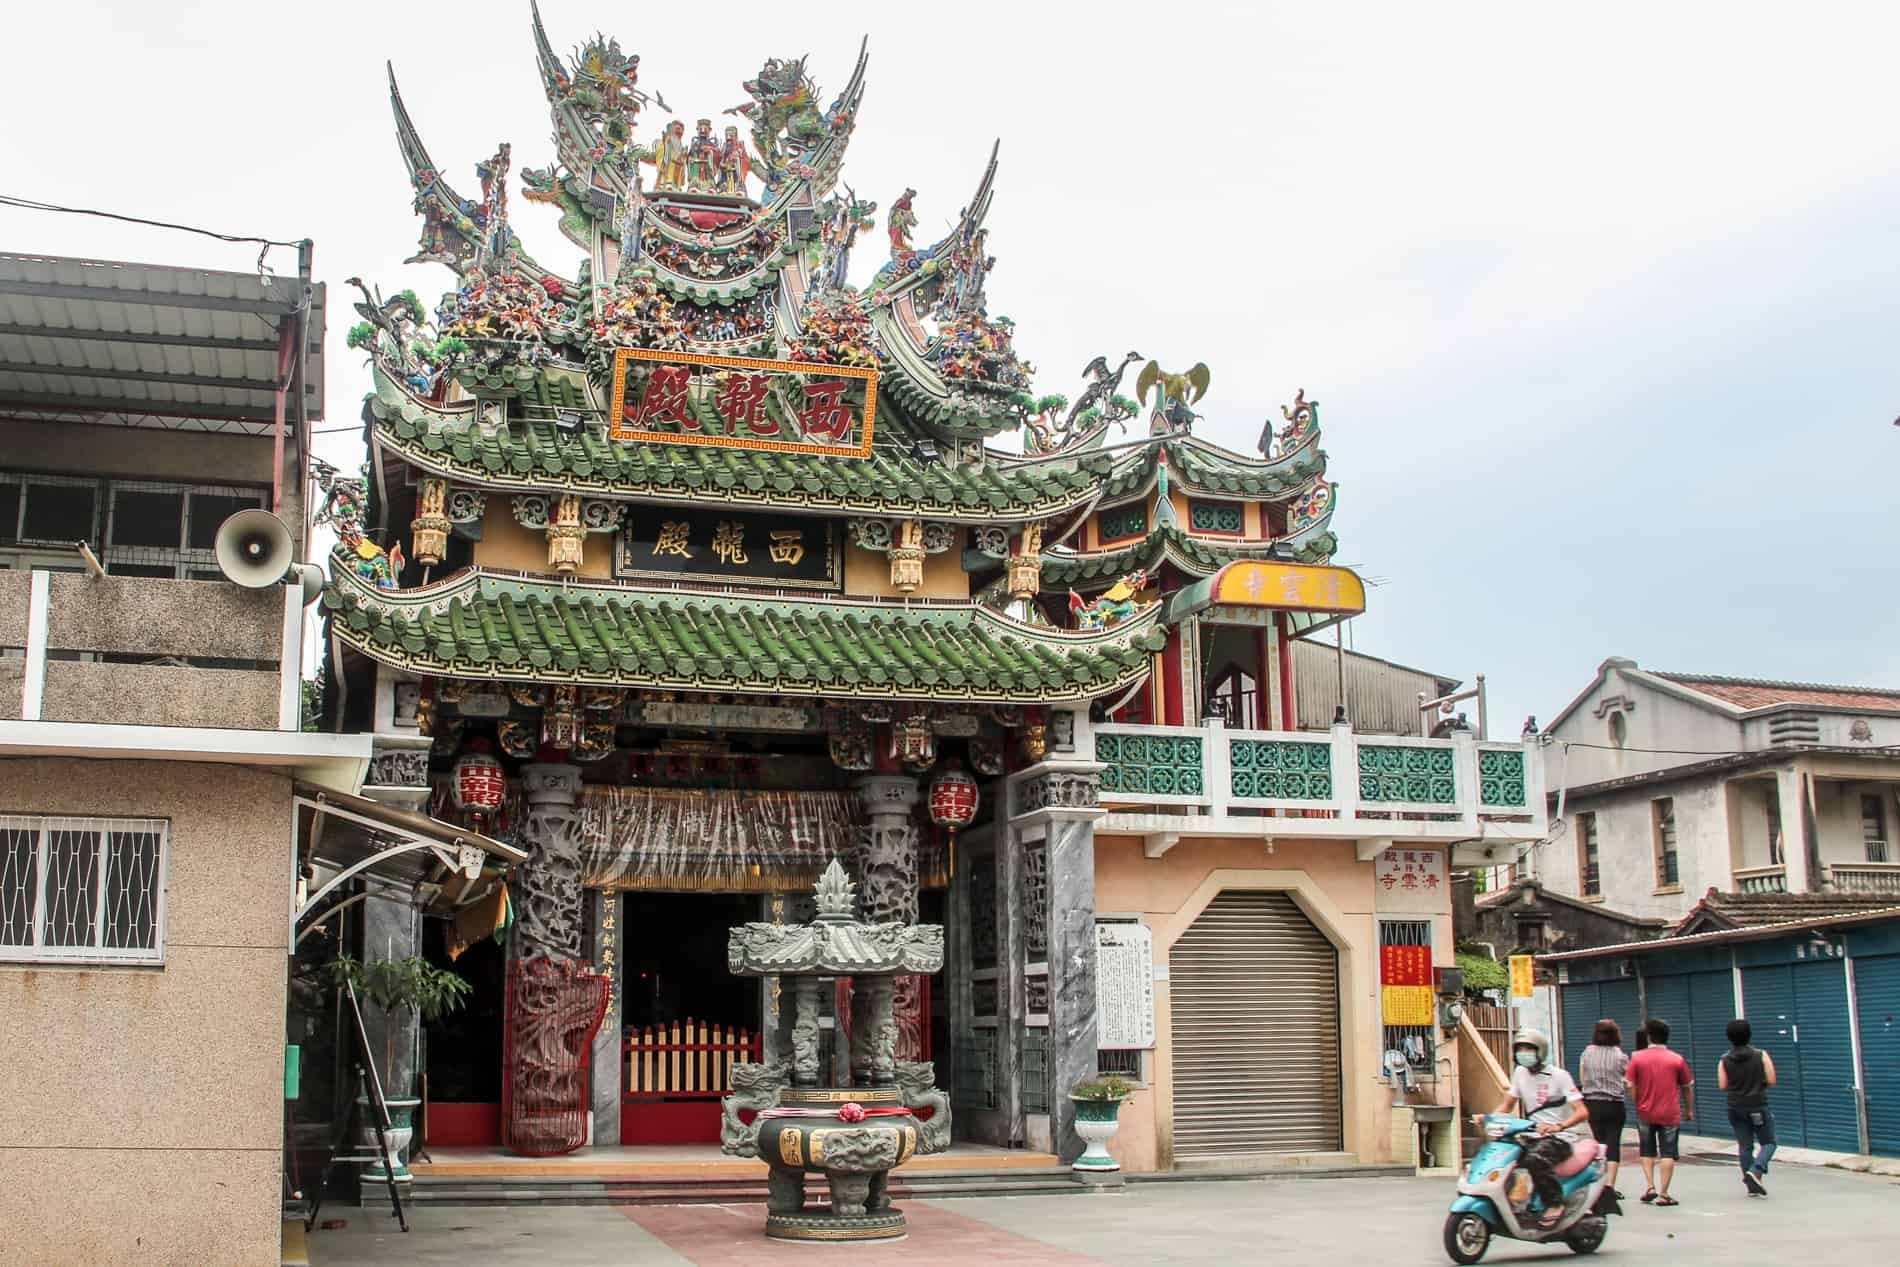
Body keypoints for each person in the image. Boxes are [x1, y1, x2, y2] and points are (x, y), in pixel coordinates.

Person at [1474, 1027, 1587, 1227]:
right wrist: (1488, 1118)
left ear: (1540, 1051)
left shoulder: (1559, 1076)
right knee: (1503, 1155)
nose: (1524, 1053)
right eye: (1520, 1049)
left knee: (1535, 1160)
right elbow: (1508, 1105)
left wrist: (1558, 1126)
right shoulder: (1519, 1073)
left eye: (1529, 1049)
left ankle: (1555, 1203)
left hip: (1561, 1137)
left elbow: (1582, 1112)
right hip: (1531, 1134)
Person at [1626, 1017, 1694, 1207]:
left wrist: (1637, 1100)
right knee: (1668, 1153)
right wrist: (1689, 1110)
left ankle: (1650, 1186)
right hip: (1670, 1113)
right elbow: (1687, 1086)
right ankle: (1664, 1193)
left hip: (1645, 1112)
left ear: (1648, 1037)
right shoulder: (1677, 1059)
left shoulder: (1637, 1058)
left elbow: (1630, 1084)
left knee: (1646, 1150)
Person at [1719, 1018, 1778, 1197]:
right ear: (1749, 1034)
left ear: (1729, 1037)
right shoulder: (1761, 1055)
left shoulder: (1724, 1059)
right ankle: (1757, 1169)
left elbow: (1722, 1085)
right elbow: (1772, 1080)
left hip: (1735, 1107)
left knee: (1745, 1146)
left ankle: (1751, 1183)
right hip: (1757, 1105)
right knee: (1769, 1142)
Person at [1577, 1018, 1631, 1198]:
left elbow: (1583, 1077)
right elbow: (1628, 1078)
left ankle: (1597, 1184)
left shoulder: (1587, 1053)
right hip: (1614, 1104)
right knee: (1613, 1143)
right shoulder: (1620, 1056)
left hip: (1593, 1102)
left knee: (1598, 1143)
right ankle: (1610, 1185)